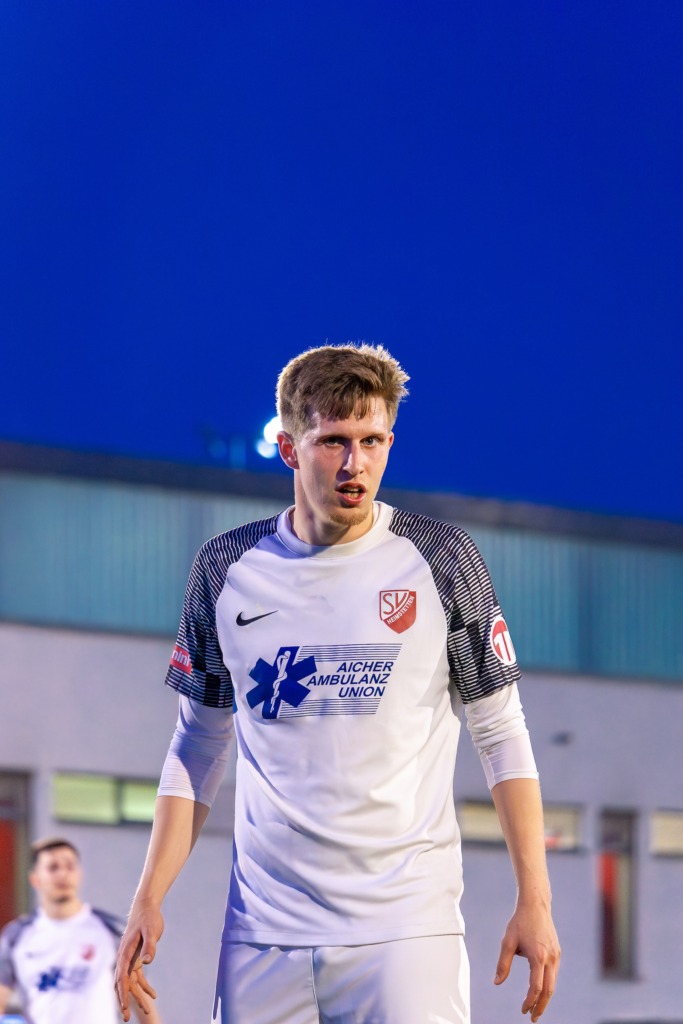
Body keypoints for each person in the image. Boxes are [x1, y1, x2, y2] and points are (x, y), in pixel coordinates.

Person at [115, 343, 560, 1024]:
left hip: (405, 931)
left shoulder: (442, 559)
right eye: (333, 442)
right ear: (289, 449)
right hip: (262, 935)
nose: (355, 464)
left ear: (389, 443)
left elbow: (501, 733)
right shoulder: (225, 568)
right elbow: (197, 743)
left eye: (371, 441)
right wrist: (148, 896)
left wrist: (536, 899)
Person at [0, 837, 161, 1024]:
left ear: (79, 874)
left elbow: (141, 1001)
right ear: (35, 879)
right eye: (53, 867)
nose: (63, 874)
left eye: (70, 866)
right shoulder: (16, 936)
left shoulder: (111, 931)